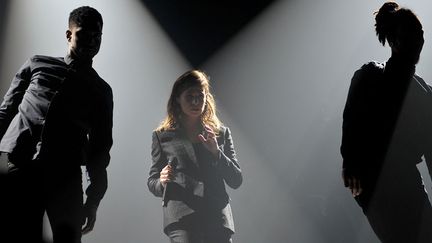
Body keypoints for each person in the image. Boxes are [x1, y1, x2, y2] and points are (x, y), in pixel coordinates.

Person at [0, 6, 113, 243]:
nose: (92, 41)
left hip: (66, 176)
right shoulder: (36, 63)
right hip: (22, 164)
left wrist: (92, 202)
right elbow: (5, 111)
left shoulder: (101, 90)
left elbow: (100, 149)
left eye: (97, 36)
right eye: (84, 34)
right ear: (69, 34)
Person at [341, 2, 432, 242]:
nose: (416, 41)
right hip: (379, 189)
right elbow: (350, 132)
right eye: (409, 35)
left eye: (419, 35)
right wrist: (354, 173)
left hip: (406, 187)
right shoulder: (369, 77)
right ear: (392, 40)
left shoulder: (425, 93)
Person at [148, 70, 242, 243]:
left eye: (200, 96)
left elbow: (236, 180)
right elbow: (152, 182)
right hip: (182, 219)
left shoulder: (220, 133)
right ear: (177, 98)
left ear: (207, 98)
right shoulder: (162, 136)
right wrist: (161, 181)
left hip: (217, 218)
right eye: (189, 96)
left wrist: (216, 152)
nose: (196, 101)